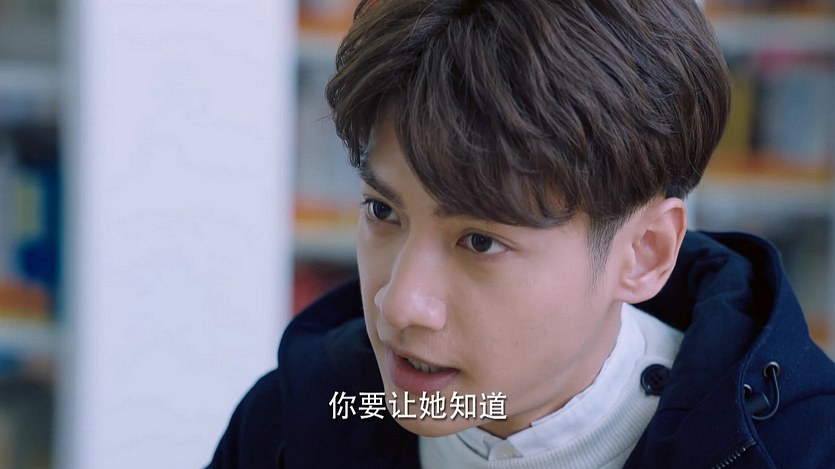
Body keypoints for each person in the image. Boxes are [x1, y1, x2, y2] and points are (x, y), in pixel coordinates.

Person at [207, 1, 835, 467]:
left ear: (644, 253)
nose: (398, 304)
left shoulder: (801, 449)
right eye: (382, 211)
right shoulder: (292, 422)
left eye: (481, 241)